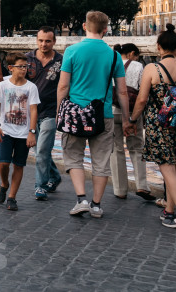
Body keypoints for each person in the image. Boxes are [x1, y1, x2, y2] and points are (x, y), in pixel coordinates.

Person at [57, 11, 131, 219]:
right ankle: (96, 205)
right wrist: (126, 119)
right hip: (103, 114)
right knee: (101, 161)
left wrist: (58, 112)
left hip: (74, 113)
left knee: (73, 156)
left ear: (84, 26)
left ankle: (81, 199)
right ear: (106, 29)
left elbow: (63, 86)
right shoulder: (114, 56)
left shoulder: (72, 51)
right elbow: (122, 91)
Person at [130, 27, 176, 229]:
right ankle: (169, 211)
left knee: (167, 170)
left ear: (158, 47)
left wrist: (133, 119)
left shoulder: (153, 69)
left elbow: (142, 100)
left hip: (159, 126)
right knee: (174, 169)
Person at [0, 52, 40, 211]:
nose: (24, 69)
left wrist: (32, 132)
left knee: (19, 165)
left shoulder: (31, 87)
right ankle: (4, 183)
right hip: (6, 131)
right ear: (11, 68)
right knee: (4, 163)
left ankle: (12, 197)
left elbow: (33, 110)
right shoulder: (3, 86)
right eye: (20, 67)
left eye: (26, 66)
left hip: (23, 133)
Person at [111, 43, 152, 201]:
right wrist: (135, 117)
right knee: (137, 148)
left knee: (116, 150)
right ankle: (142, 185)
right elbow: (143, 91)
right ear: (132, 54)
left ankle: (120, 189)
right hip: (133, 112)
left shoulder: (111, 63)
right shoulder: (137, 66)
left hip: (113, 111)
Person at [25, 26, 63, 200]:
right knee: (41, 150)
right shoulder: (27, 59)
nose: (44, 44)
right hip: (31, 112)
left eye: (48, 41)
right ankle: (54, 177)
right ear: (36, 40)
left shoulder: (61, 61)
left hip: (51, 111)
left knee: (41, 151)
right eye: (41, 40)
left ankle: (40, 186)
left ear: (54, 42)